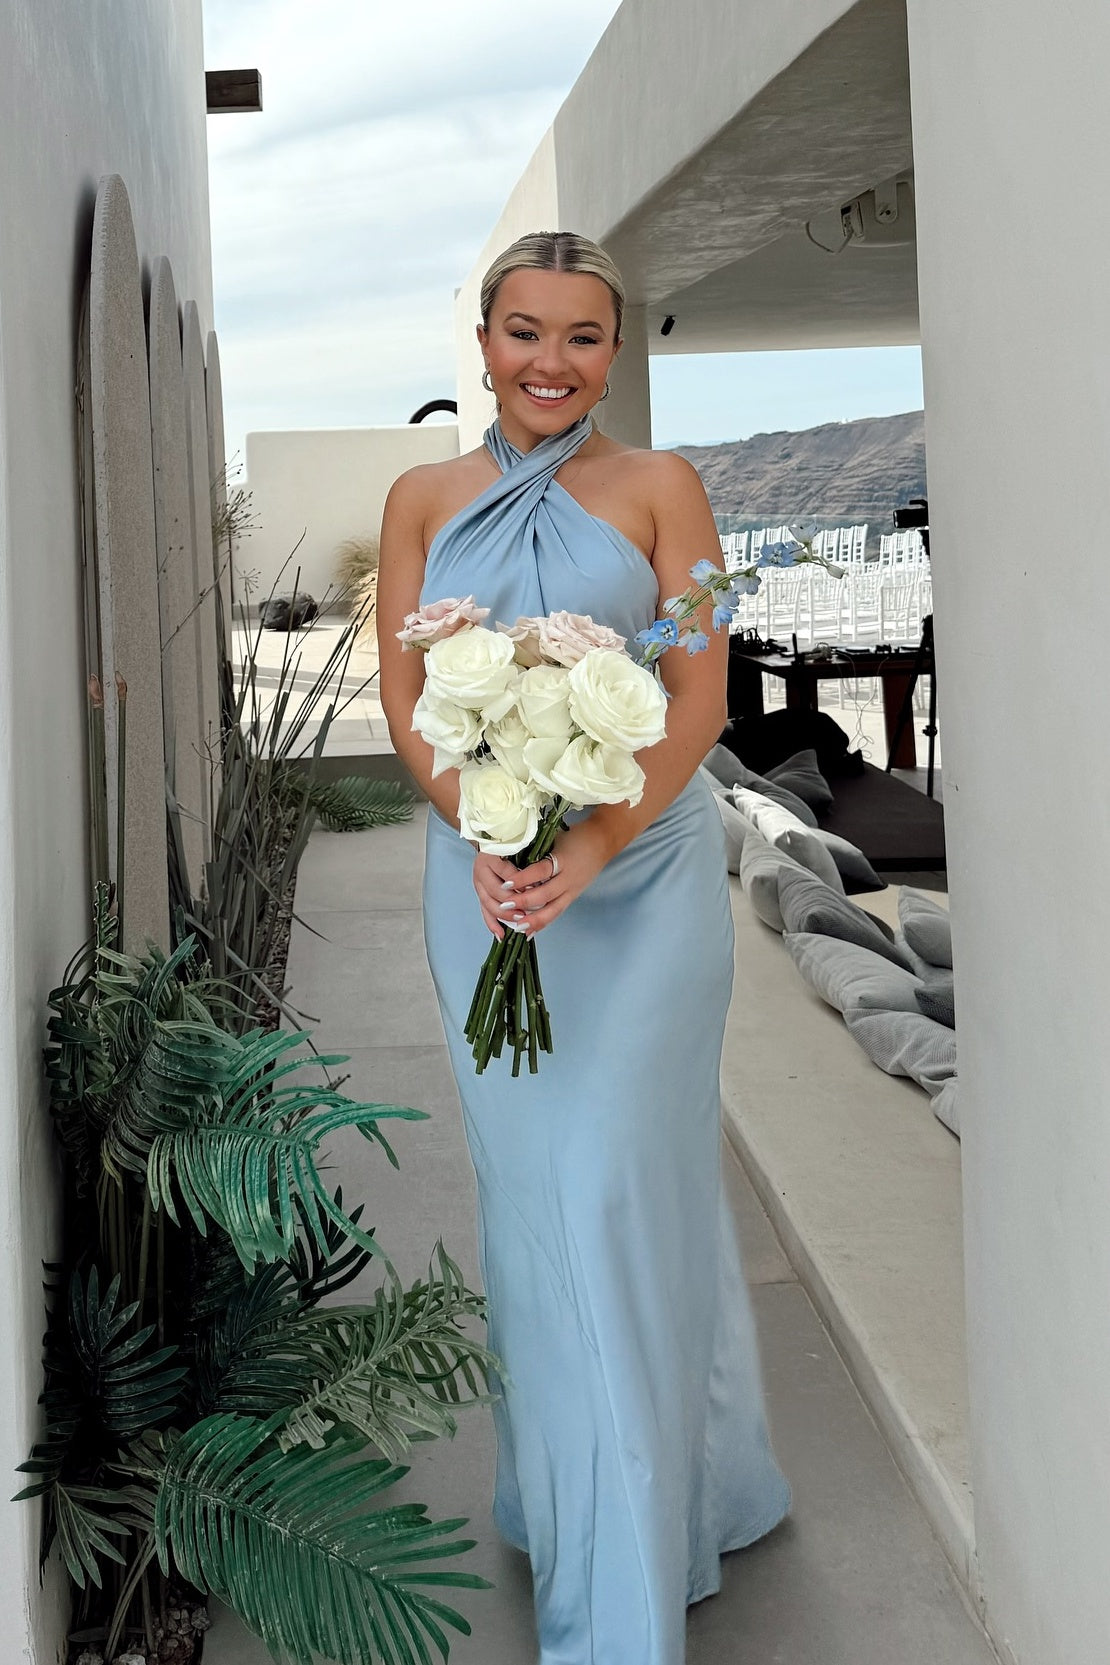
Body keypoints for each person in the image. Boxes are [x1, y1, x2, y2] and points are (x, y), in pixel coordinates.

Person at [377, 230, 790, 1665]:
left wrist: (594, 844)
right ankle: (602, 1494)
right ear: (480, 338)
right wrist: (486, 829)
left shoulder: (669, 488)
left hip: (644, 877)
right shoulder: (420, 498)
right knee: (542, 1212)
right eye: (522, 331)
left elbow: (695, 691)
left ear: (617, 351)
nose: (551, 363)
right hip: (485, 880)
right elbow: (407, 698)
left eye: (582, 336)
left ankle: (616, 1606)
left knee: (624, 1185)